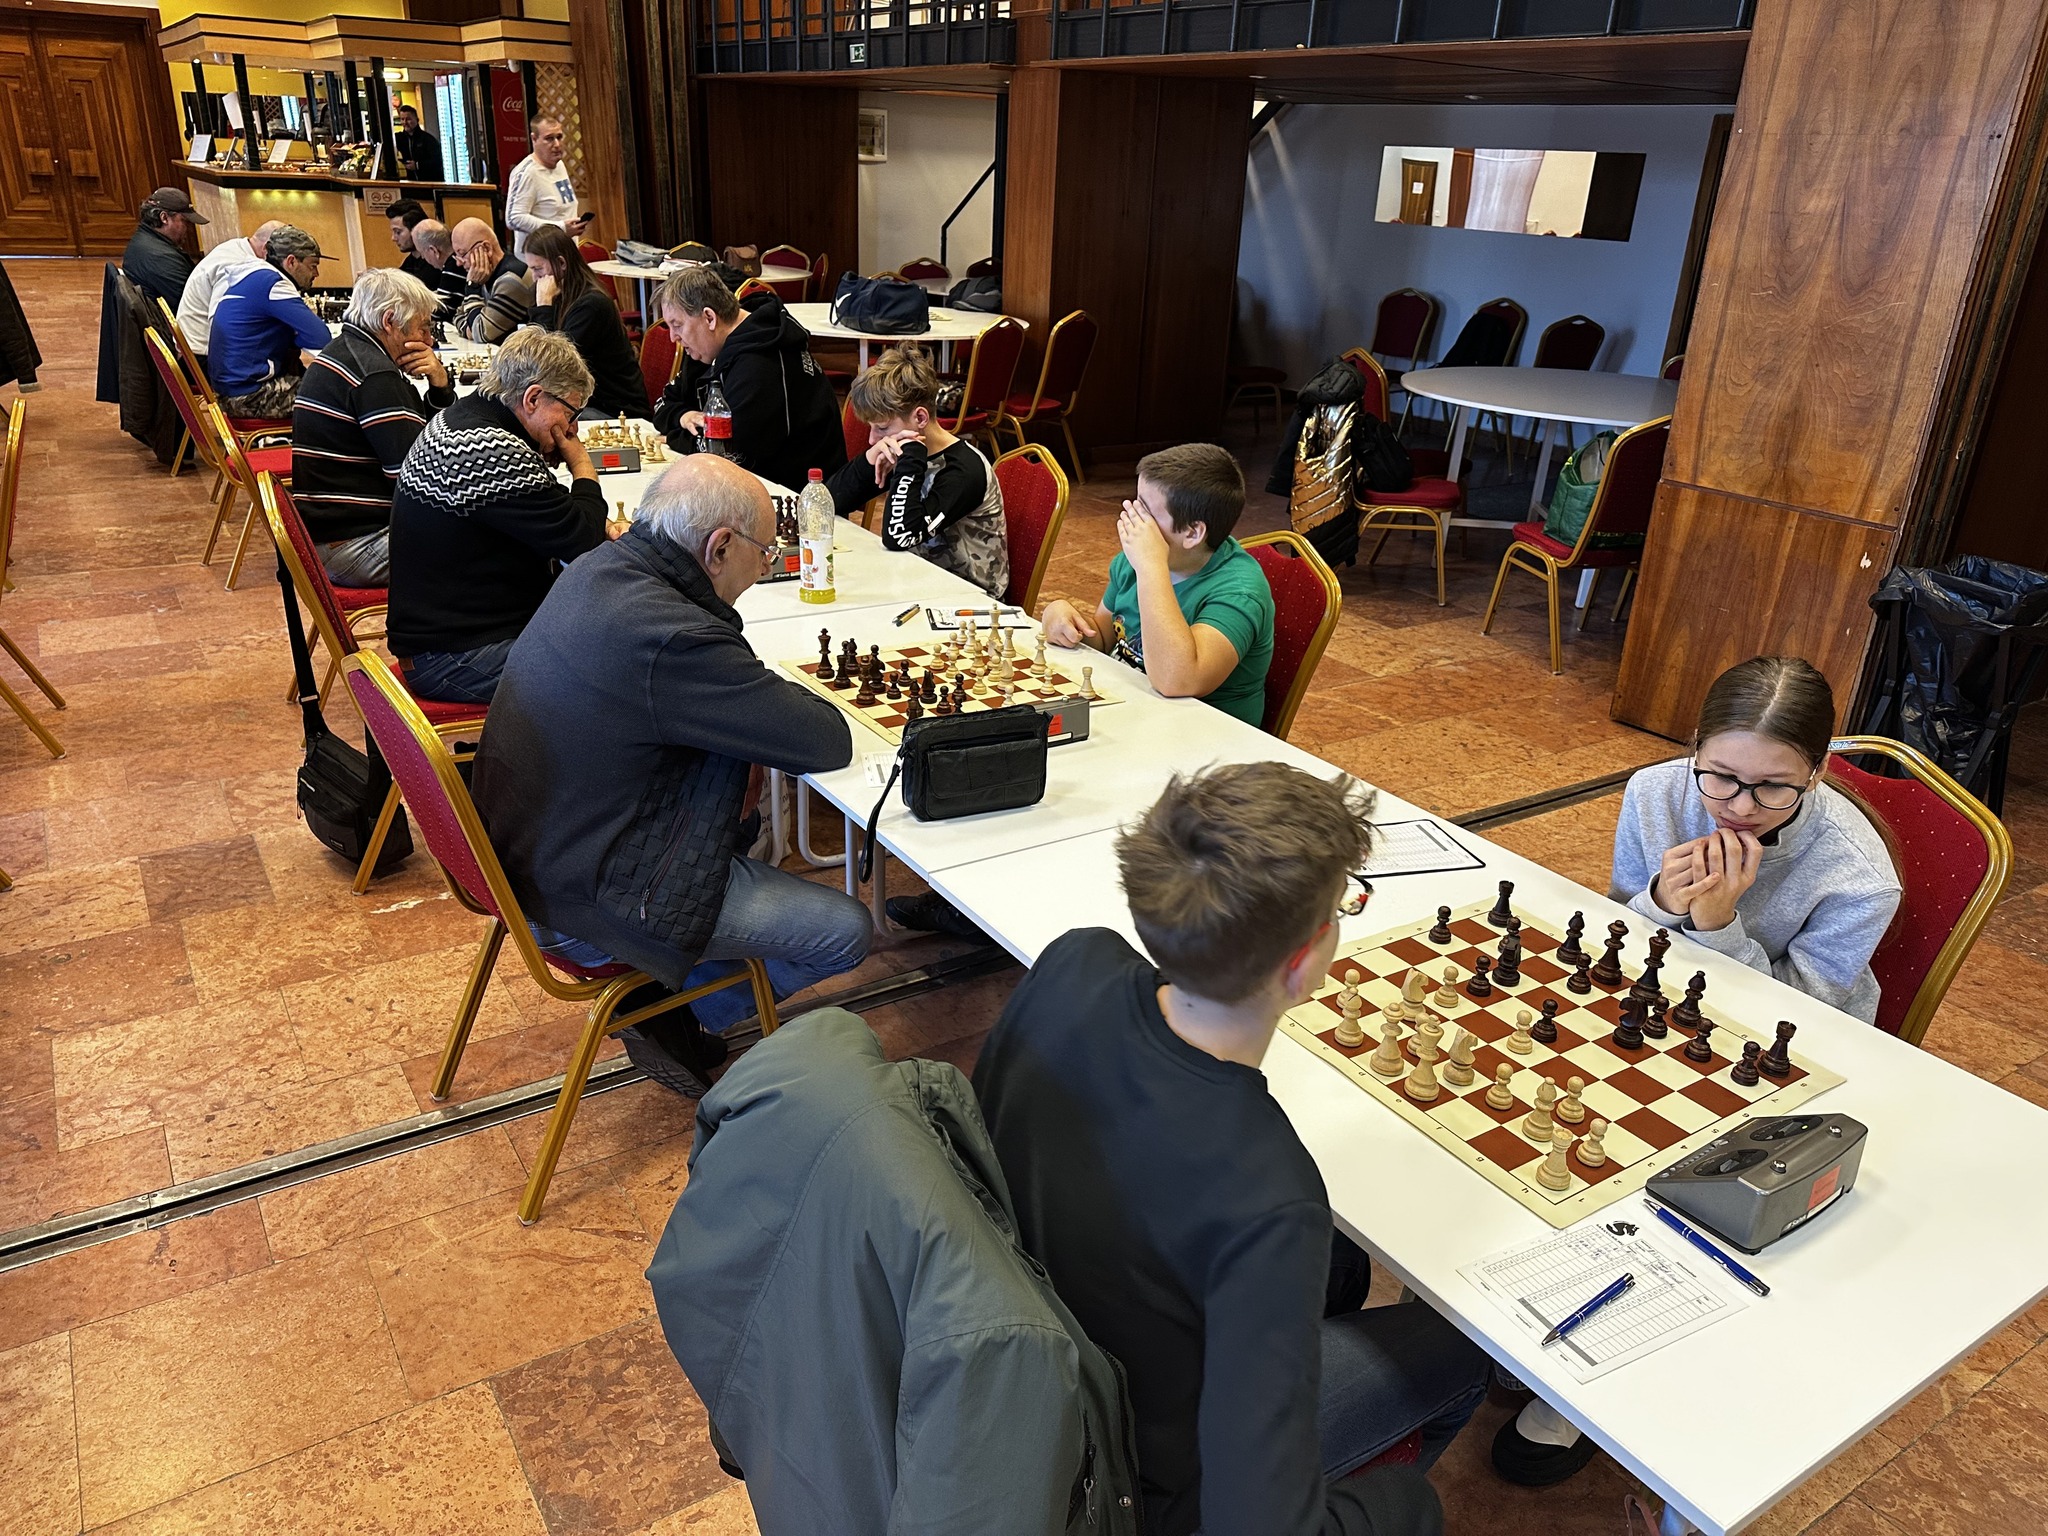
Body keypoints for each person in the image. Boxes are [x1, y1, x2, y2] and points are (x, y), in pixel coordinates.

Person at [973, 762, 1487, 1536]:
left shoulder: (1076, 960)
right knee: (1462, 1364)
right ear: (1302, 965)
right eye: (1343, 906)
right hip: (1139, 1483)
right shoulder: (1269, 1195)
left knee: (1342, 1269)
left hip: (1025, 1372)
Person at [472, 454, 873, 1095]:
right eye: (766, 553)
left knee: (747, 823)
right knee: (845, 932)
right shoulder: (673, 636)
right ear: (720, 547)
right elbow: (824, 740)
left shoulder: (600, 566)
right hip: (583, 900)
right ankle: (674, 1011)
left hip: (521, 856)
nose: (766, 568)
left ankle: (675, 991)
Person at [1611, 655, 1900, 1024]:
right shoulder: (1653, 792)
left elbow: (1801, 1014)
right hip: (1655, 1001)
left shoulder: (1863, 881)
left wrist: (1716, 925)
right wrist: (1661, 901)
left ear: (1818, 772)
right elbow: (1613, 928)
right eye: (1722, 776)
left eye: (1774, 786)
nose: (1741, 807)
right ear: (1698, 747)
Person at [387, 328, 607, 705]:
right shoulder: (491, 448)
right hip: (453, 658)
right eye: (571, 414)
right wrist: (582, 464)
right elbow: (583, 540)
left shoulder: (463, 417)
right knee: (618, 668)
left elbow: (551, 518)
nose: (571, 430)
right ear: (533, 398)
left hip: (447, 637)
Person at [1040, 443, 1274, 727]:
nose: (1131, 517)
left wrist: (1151, 567)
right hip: (1138, 711)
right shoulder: (1135, 561)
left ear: (1192, 533)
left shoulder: (1240, 591)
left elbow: (1177, 680)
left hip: (1205, 734)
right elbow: (1103, 637)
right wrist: (1064, 619)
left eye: (1146, 511)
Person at [291, 267, 455, 587]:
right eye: (423, 327)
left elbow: (421, 444)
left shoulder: (347, 351)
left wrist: (439, 385)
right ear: (389, 321)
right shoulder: (375, 376)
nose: (429, 340)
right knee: (495, 546)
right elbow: (418, 479)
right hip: (357, 547)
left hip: (332, 537)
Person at [827, 344, 1008, 598]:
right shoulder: (899, 448)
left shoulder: (963, 470)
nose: (872, 439)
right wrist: (869, 458)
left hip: (969, 600)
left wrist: (909, 462)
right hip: (915, 580)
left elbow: (899, 537)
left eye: (882, 428)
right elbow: (828, 502)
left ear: (920, 418)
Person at [652, 265, 845, 492]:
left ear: (709, 318)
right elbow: (663, 406)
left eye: (677, 325)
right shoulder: (707, 347)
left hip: (795, 498)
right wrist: (683, 416)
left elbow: (727, 455)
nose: (673, 337)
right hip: (751, 484)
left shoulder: (761, 365)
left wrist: (675, 437)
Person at [205, 224, 332, 420]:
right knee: (338, 394)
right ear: (291, 262)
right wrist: (295, 334)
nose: (316, 274)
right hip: (250, 396)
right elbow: (321, 339)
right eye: (312, 266)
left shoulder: (251, 276)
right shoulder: (274, 284)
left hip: (230, 389)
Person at [523, 224, 649, 419]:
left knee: (533, 418)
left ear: (561, 263)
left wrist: (544, 308)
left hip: (615, 410)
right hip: (583, 402)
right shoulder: (561, 295)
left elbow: (551, 366)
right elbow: (530, 357)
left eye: (538, 269)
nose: (535, 277)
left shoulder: (591, 304)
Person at [175, 218, 283, 362]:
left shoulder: (235, 248)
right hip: (204, 357)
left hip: (203, 348)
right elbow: (222, 324)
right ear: (266, 249)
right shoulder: (238, 264)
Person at [505, 115, 590, 261]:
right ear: (534, 139)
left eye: (559, 137)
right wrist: (560, 228)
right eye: (549, 139)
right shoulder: (527, 173)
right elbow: (514, 218)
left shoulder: (559, 165)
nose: (557, 144)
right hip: (539, 261)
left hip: (565, 256)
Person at [122, 187, 207, 311]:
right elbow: (194, 306)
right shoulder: (161, 258)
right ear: (164, 218)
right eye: (184, 221)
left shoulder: (141, 240)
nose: (188, 229)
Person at [450, 218, 533, 344]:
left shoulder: (511, 280)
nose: (458, 263)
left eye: (462, 254)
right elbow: (457, 316)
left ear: (486, 248)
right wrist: (471, 329)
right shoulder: (485, 275)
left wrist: (472, 287)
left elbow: (481, 333)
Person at [409, 219, 468, 317]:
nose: (423, 257)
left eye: (422, 252)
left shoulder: (454, 268)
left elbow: (442, 312)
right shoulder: (455, 260)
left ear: (433, 251)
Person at [384, 198, 439, 290]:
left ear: (416, 230)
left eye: (398, 232)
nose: (393, 238)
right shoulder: (409, 262)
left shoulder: (436, 263)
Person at [392, 104, 444, 182]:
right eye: (402, 119)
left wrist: (417, 165)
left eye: (408, 119)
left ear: (417, 119)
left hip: (430, 182)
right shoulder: (400, 138)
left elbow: (438, 161)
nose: (405, 122)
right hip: (412, 182)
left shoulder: (428, 139)